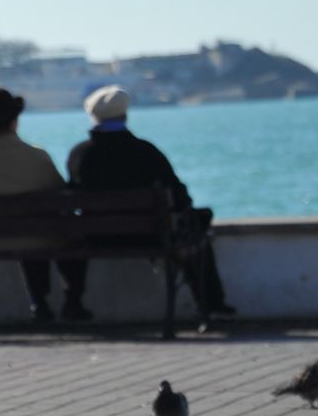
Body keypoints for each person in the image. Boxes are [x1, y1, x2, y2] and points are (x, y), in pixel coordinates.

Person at [66, 85, 233, 323]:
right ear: (125, 115)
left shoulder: (79, 155)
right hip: (151, 236)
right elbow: (180, 197)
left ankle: (73, 301)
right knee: (197, 227)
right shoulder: (146, 151)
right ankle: (210, 304)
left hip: (96, 237)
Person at [0, 87, 85, 323]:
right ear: (15, 120)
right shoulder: (37, 156)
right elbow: (59, 193)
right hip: (39, 237)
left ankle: (39, 302)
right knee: (54, 231)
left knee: (29, 230)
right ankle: (71, 300)